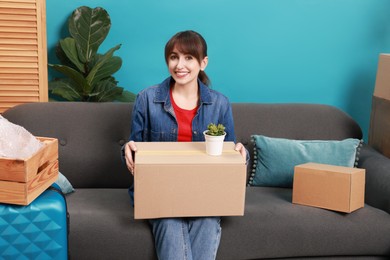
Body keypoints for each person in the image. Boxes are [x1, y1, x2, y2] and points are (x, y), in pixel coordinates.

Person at [124, 30, 247, 260]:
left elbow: (229, 154)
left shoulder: (220, 103)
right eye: (174, 57)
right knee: (169, 220)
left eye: (189, 58)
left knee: (208, 220)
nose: (180, 65)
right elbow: (136, 150)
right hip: (159, 190)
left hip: (206, 191)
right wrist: (128, 150)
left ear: (203, 62)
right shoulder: (146, 99)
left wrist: (241, 152)